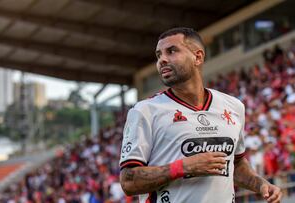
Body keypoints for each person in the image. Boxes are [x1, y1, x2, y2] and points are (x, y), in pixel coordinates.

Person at [119, 27, 282, 203]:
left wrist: (260, 184)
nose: (162, 60)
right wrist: (183, 167)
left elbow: (235, 164)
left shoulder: (234, 107)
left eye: (172, 51)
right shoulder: (145, 111)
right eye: (159, 55)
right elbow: (128, 180)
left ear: (198, 57)